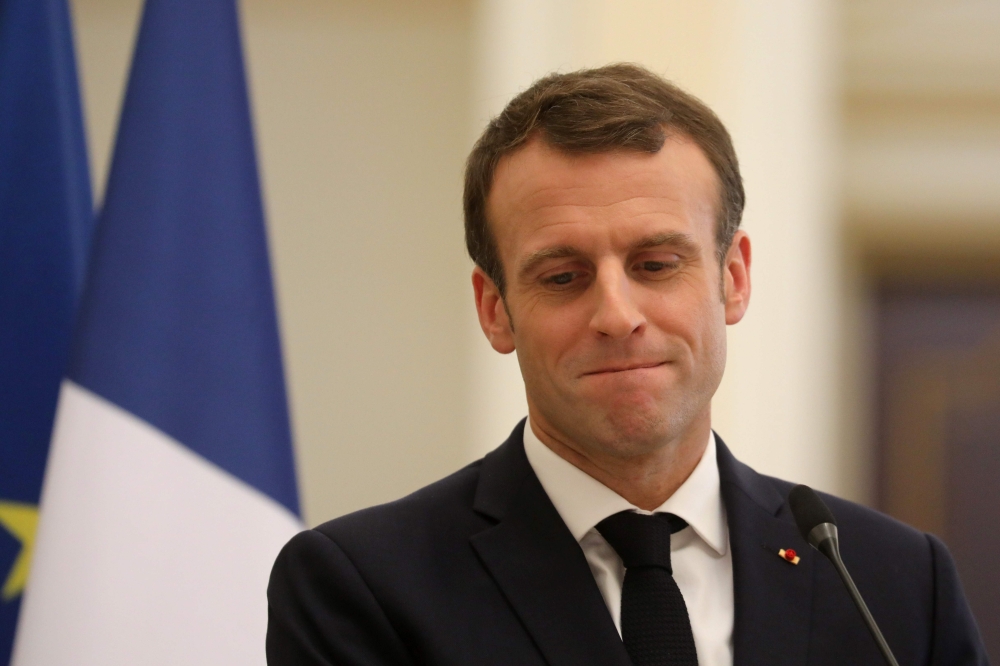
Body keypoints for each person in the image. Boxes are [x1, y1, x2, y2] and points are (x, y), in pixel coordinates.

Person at [266, 64, 988, 666]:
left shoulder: (893, 583)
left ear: (733, 278)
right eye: (562, 277)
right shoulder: (364, 586)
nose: (616, 314)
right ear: (495, 310)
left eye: (656, 264)